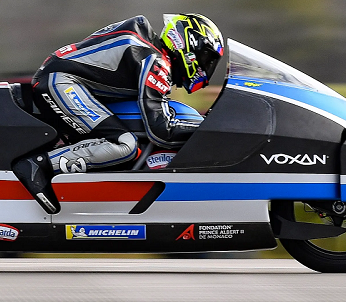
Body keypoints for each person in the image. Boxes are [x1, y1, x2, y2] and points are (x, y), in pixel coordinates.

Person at [13, 13, 227, 213]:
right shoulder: (155, 62)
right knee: (124, 145)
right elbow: (161, 130)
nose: (205, 67)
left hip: (62, 80)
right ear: (188, 46)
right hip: (61, 83)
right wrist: (207, 128)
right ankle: (38, 165)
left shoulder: (149, 51)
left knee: (121, 139)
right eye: (206, 58)